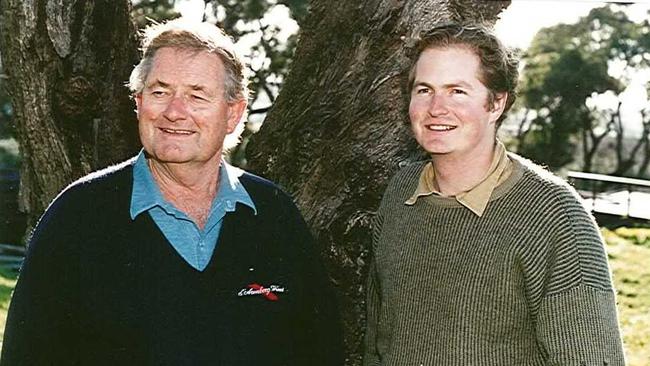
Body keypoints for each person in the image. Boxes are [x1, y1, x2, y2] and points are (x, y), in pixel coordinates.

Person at [2, 18, 342, 365]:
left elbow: (322, 350)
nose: (175, 112)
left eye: (197, 96)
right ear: (138, 103)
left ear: (233, 114)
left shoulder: (274, 214)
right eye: (160, 92)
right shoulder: (77, 216)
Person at [364, 23, 625, 365]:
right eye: (424, 90)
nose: (436, 108)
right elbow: (377, 344)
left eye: (457, 91)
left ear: (496, 104)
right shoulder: (400, 192)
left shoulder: (554, 216)